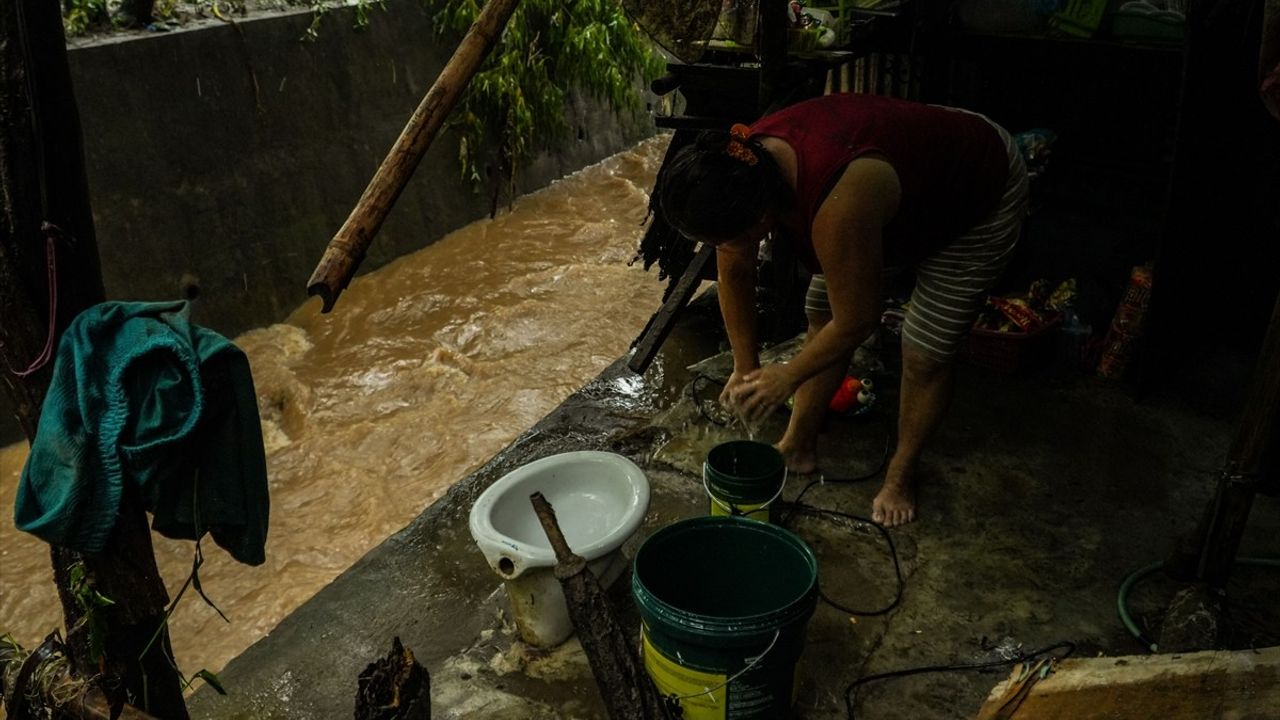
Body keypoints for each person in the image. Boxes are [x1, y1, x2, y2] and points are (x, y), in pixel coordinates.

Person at [657, 92, 1029, 527]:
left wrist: (787, 376)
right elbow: (735, 275)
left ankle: (901, 472)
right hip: (903, 177)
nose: (722, 250)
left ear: (761, 219)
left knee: (926, 350)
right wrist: (745, 366)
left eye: (726, 239)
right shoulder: (738, 169)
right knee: (821, 309)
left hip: (974, 185)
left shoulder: (837, 199)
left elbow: (858, 320)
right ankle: (797, 445)